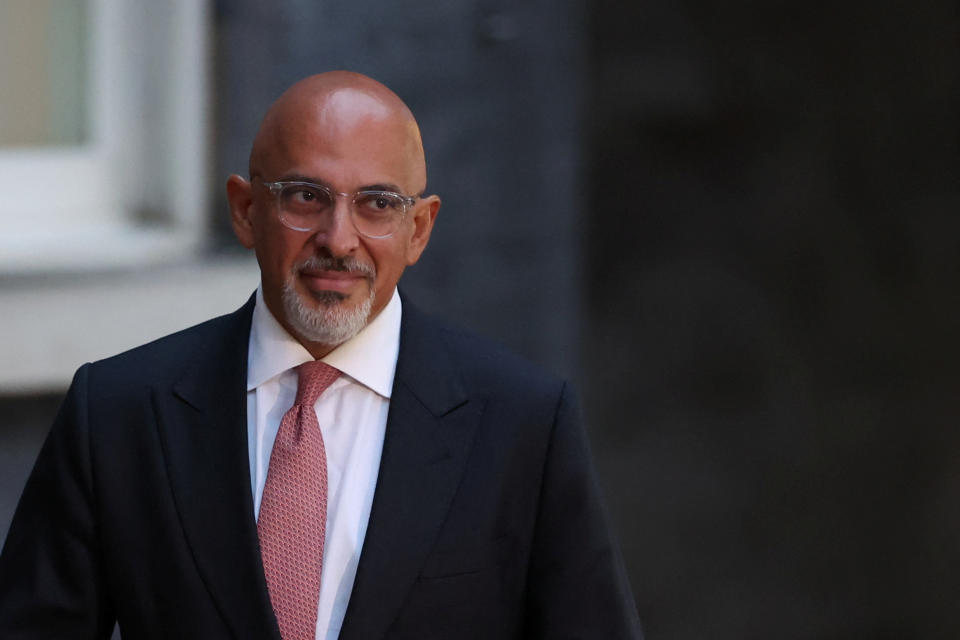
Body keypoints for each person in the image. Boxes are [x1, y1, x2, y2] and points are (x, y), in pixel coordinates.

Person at [0, 71, 642, 639]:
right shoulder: (116, 413)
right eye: (306, 196)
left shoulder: (521, 424)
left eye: (377, 204)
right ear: (247, 210)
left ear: (418, 229)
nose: (339, 239)